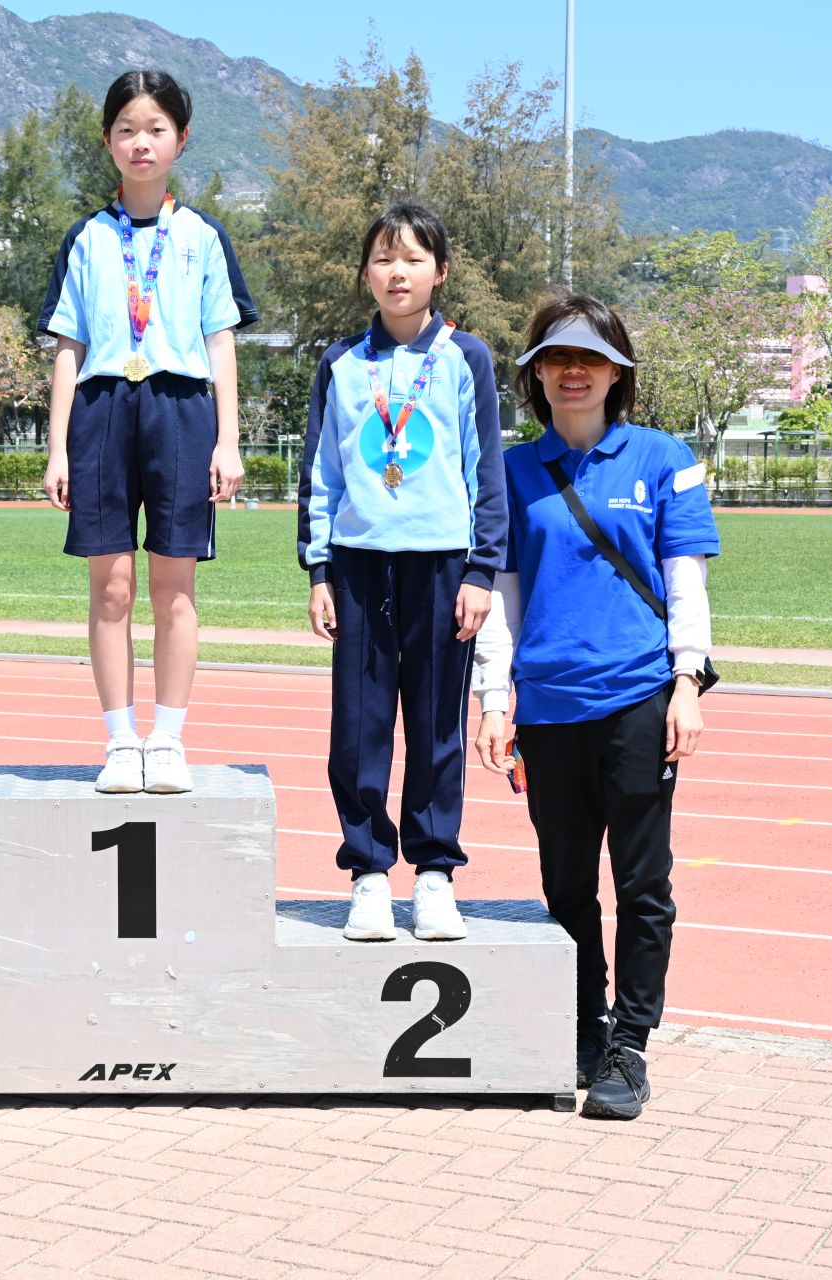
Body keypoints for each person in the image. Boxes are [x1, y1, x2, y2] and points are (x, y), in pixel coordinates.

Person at [470, 294, 720, 1120]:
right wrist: (494, 700)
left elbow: (685, 581)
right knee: (566, 883)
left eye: (590, 358)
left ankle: (630, 1044)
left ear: (618, 372)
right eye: (556, 358)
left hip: (640, 699)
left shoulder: (663, 457)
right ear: (536, 375)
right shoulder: (511, 472)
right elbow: (501, 598)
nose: (572, 372)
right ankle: (584, 1024)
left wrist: (687, 682)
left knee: (643, 884)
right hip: (547, 710)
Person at [38, 68, 259, 795]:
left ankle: (167, 738)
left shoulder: (201, 236)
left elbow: (221, 342)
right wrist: (57, 448)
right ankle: (119, 739)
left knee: (174, 585)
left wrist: (228, 440)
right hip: (102, 410)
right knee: (111, 587)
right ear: (107, 140)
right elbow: (68, 348)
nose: (141, 143)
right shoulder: (86, 238)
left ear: (180, 140)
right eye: (127, 129)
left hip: (181, 410)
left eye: (156, 129)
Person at [296, 203, 506, 943]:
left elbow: (485, 469)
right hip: (358, 566)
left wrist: (482, 570)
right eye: (384, 258)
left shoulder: (466, 358)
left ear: (440, 272)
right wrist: (318, 569)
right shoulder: (341, 363)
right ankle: (368, 873)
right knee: (359, 728)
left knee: (437, 726)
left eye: (414, 258)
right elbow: (321, 471)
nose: (398, 272)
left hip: (443, 564)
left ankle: (435, 873)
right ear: (366, 274)